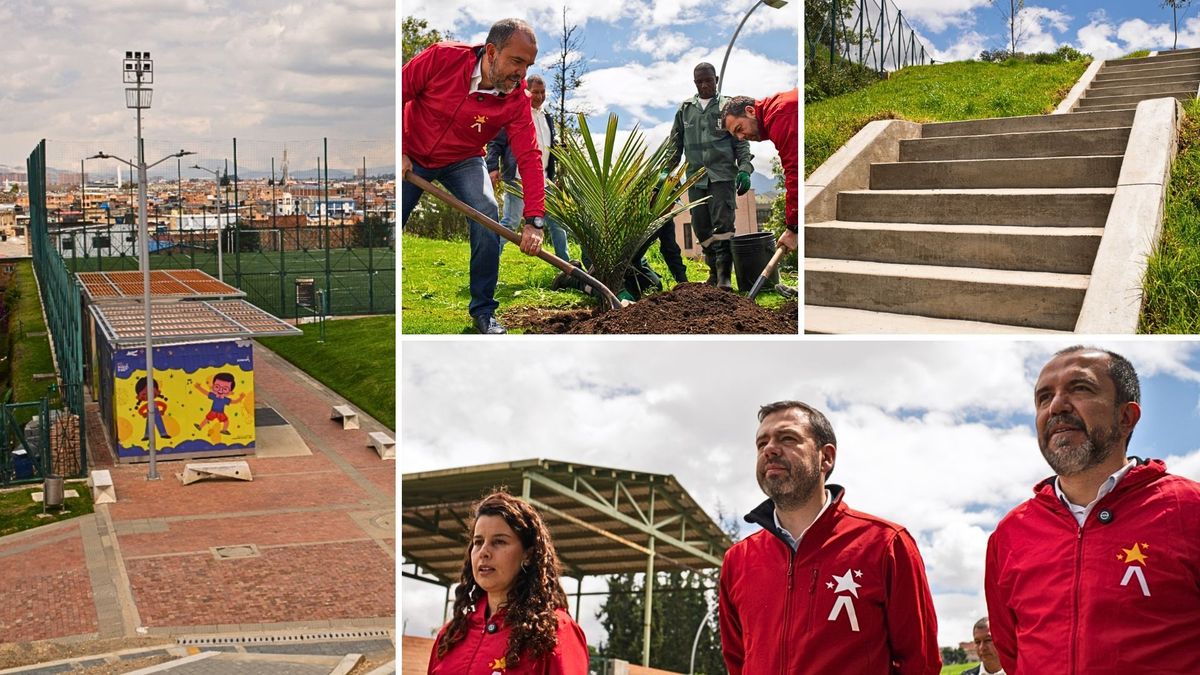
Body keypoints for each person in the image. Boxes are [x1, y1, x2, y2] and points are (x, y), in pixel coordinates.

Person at [985, 346, 1200, 673]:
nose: (1056, 406)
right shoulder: (1008, 535)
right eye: (1044, 397)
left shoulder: (1190, 509)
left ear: (1126, 417)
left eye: (1080, 388)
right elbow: (1011, 653)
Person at [719, 400, 941, 675]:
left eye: (787, 438)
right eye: (761, 443)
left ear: (826, 457)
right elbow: (738, 661)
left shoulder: (887, 544)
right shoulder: (737, 560)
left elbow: (920, 663)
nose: (770, 449)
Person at [402, 18, 546, 334]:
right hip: (411, 153)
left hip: (463, 159)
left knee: (487, 213)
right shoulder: (442, 57)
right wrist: (398, 149)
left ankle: (483, 311)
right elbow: (396, 94)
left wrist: (534, 220)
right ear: (492, 52)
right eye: (517, 61)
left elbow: (529, 157)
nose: (521, 73)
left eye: (528, 65)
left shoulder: (516, 99)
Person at [427, 492, 589, 674]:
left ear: (528, 555)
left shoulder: (555, 633)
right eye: (478, 542)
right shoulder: (450, 636)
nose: (484, 552)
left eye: (499, 542)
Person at [664, 63, 754, 289]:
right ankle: (713, 272)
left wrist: (744, 168)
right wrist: (666, 171)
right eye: (699, 82)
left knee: (723, 225)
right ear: (694, 82)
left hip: (722, 177)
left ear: (716, 79)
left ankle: (724, 277)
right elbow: (675, 145)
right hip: (695, 179)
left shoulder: (727, 107)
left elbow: (741, 142)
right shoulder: (685, 110)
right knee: (701, 226)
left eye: (708, 80)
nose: (704, 85)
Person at [486, 74, 571, 262]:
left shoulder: (547, 118)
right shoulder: (516, 113)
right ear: (527, 91)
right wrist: (492, 167)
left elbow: (546, 147)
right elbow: (495, 142)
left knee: (557, 224)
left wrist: (559, 154)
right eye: (535, 92)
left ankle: (567, 267)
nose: (539, 96)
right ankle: (488, 262)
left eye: (542, 92)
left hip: (545, 182)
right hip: (517, 178)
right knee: (511, 222)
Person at [720, 89, 798, 254]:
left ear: (750, 111)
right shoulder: (777, 110)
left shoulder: (779, 116)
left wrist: (793, 228)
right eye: (736, 135)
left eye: (739, 128)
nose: (740, 137)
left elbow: (795, 171)